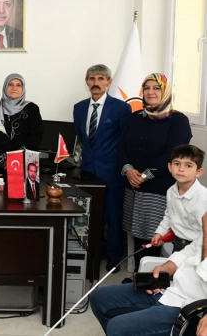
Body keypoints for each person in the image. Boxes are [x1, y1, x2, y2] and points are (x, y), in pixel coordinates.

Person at [89, 211, 207, 336]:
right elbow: (193, 249)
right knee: (99, 298)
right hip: (174, 289)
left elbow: (204, 272)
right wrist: (167, 267)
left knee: (117, 328)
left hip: (191, 306)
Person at [120, 74, 193, 273]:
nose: (150, 92)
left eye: (156, 88)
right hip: (133, 185)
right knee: (137, 233)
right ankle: (139, 277)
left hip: (158, 188)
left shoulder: (178, 120)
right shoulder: (136, 117)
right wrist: (128, 170)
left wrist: (144, 175)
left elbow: (174, 153)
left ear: (166, 92)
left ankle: (152, 279)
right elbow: (122, 146)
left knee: (154, 236)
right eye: (146, 87)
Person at [73, 64, 131, 272]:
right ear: (86, 82)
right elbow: (81, 137)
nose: (95, 83)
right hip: (88, 170)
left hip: (112, 172)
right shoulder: (79, 107)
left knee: (113, 216)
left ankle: (114, 256)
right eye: (92, 79)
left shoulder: (121, 108)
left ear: (109, 82)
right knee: (90, 216)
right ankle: (96, 252)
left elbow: (125, 141)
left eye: (100, 79)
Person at [152, 145, 206, 254]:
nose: (181, 169)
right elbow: (169, 215)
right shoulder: (171, 191)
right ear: (170, 167)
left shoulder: (202, 197)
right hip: (178, 243)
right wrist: (160, 232)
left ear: (198, 172)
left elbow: (205, 234)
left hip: (198, 247)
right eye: (177, 164)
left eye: (188, 165)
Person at [0, 73, 43, 151]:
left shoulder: (31, 108)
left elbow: (37, 135)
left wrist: (17, 154)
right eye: (10, 84)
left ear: (23, 88)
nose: (14, 88)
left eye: (18, 85)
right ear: (5, 87)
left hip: (24, 154)